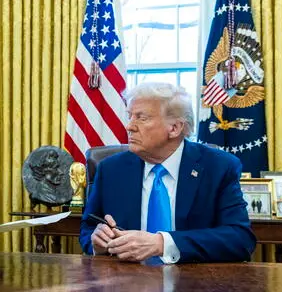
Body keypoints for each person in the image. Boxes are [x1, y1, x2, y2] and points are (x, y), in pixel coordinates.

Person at [80, 82, 256, 263]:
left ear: (175, 128)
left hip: (195, 280)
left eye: (141, 118)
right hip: (126, 280)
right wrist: (97, 243)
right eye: (130, 116)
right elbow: (88, 228)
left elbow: (240, 239)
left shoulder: (218, 167)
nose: (129, 126)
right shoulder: (110, 169)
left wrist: (162, 243)